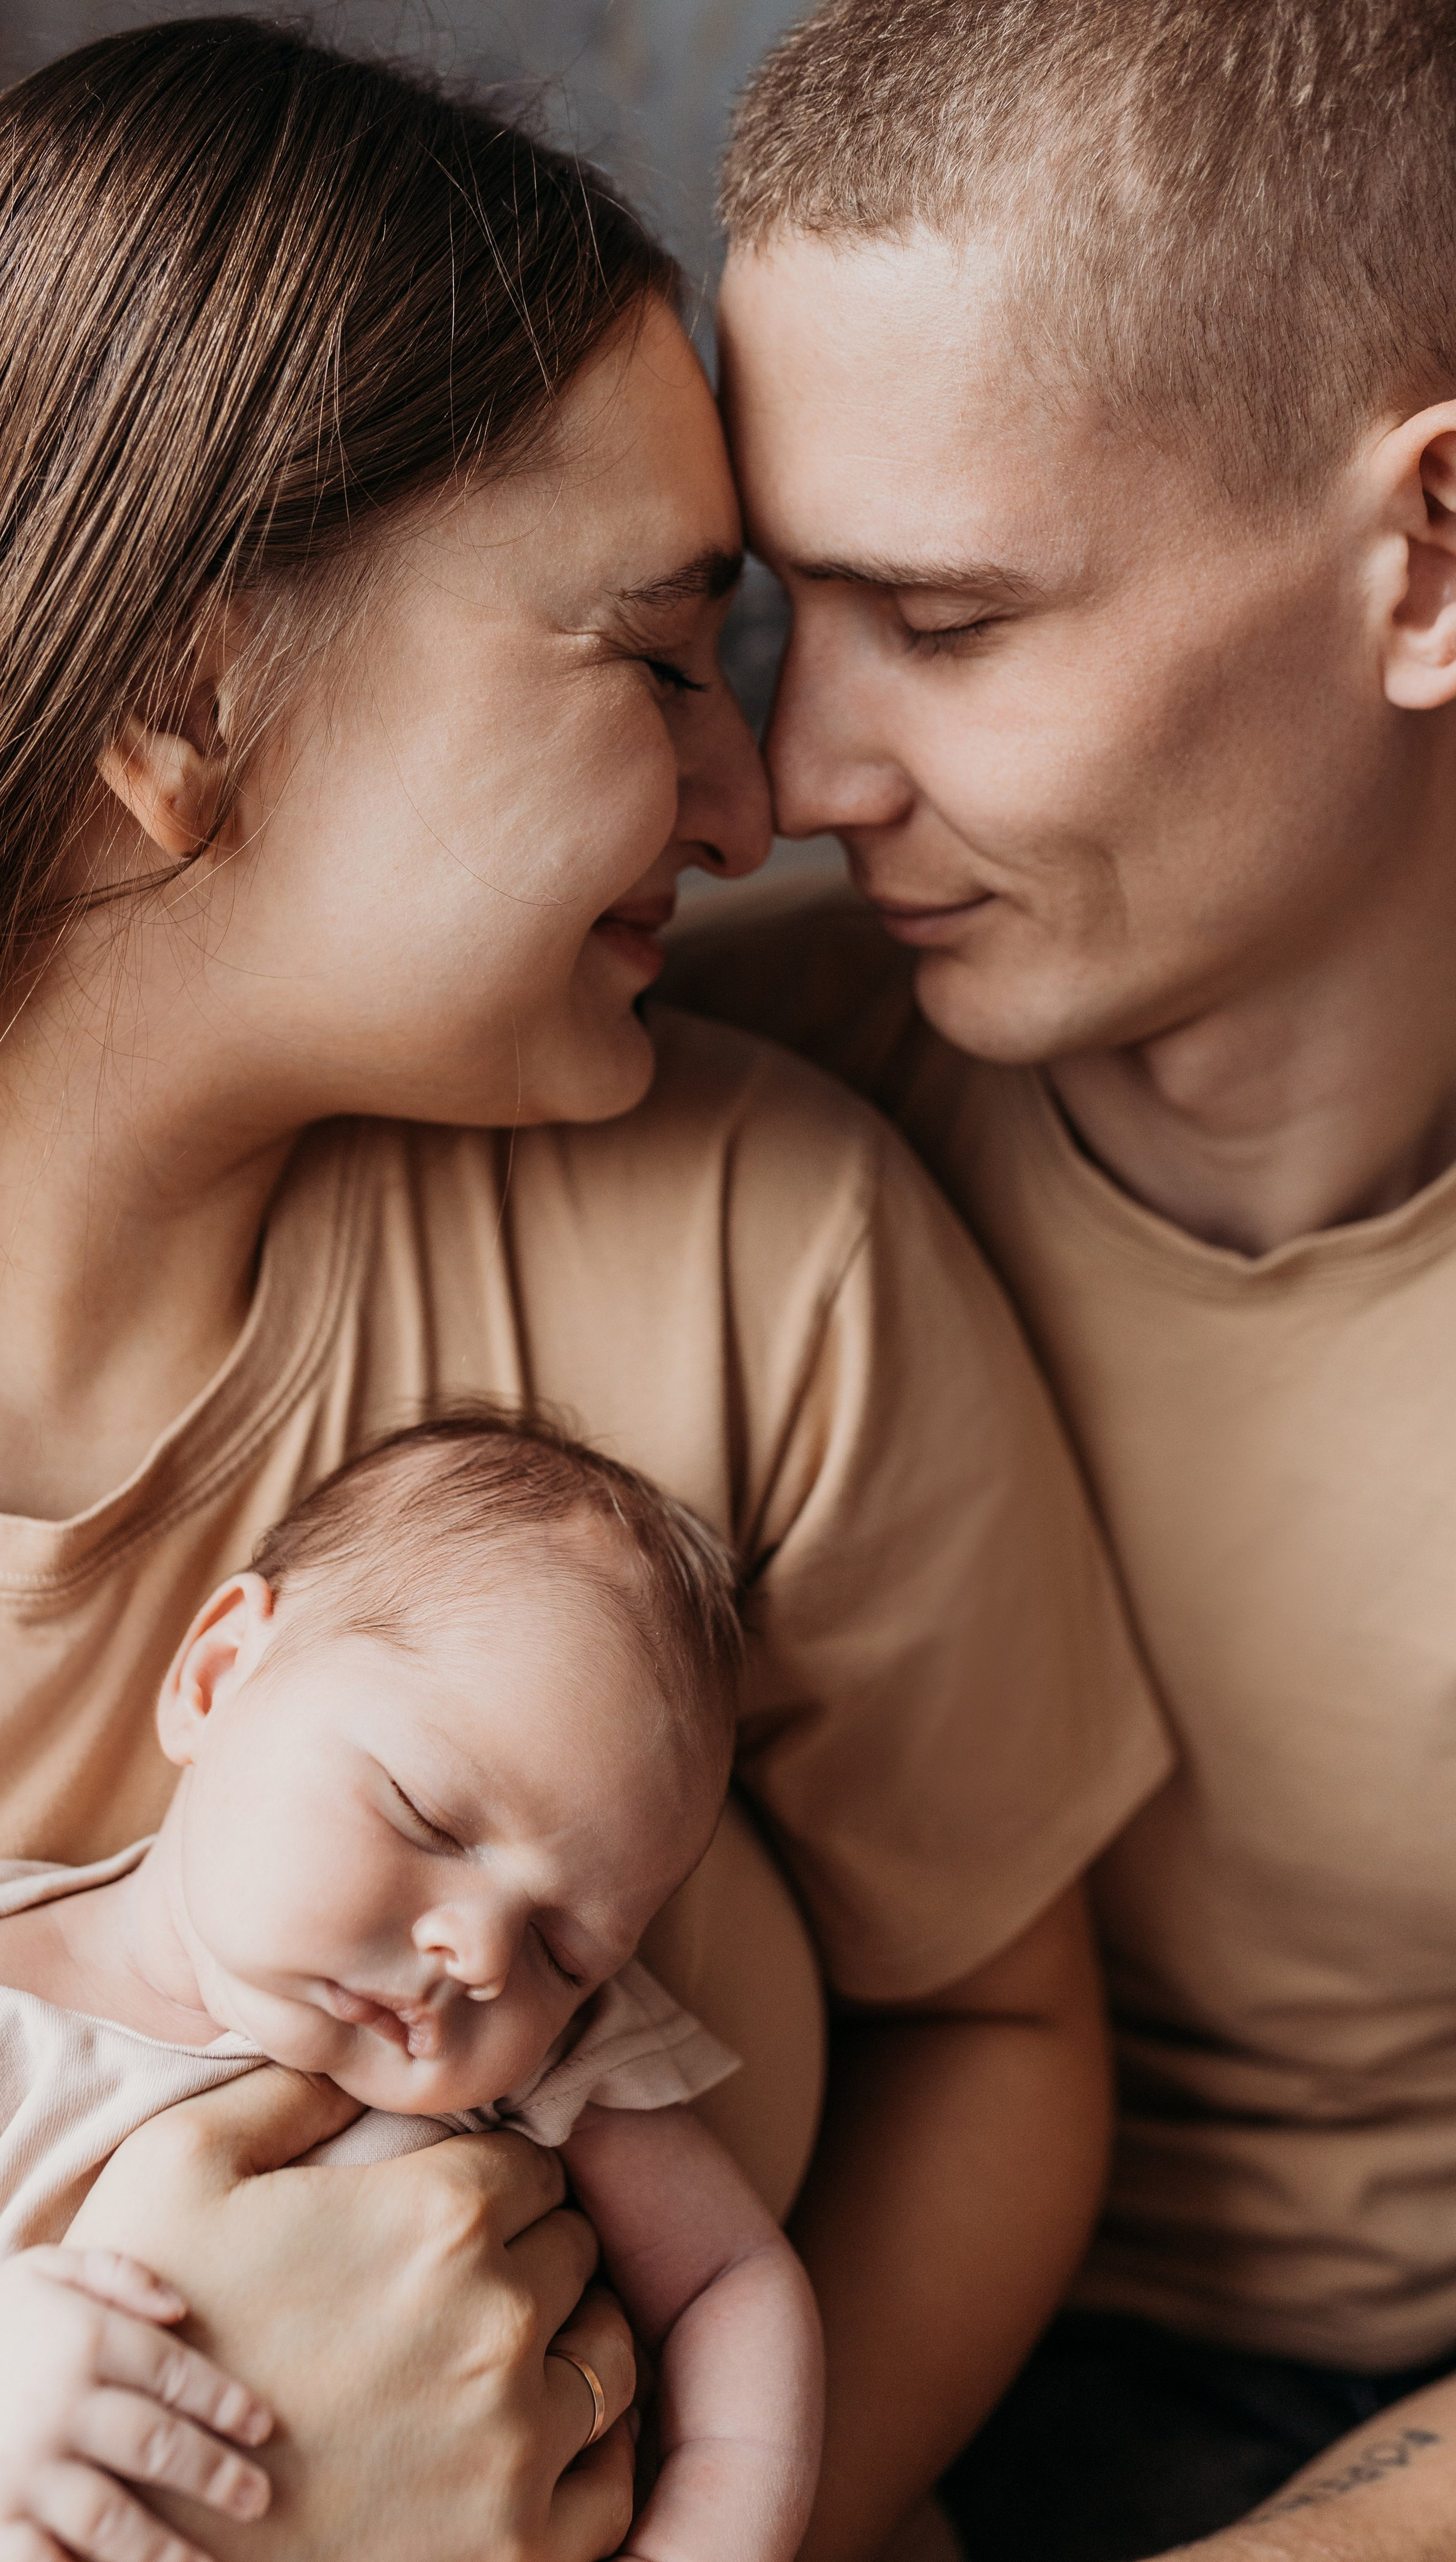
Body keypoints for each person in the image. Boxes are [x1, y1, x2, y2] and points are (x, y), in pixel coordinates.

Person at [0, 15, 1173, 2559]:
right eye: (651, 660)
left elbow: (996, 2028)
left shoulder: (761, 1240)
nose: (755, 810)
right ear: (184, 696)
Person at [662, 0, 1456, 2554]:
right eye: (791, 610)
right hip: (757, 2346)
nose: (799, 779)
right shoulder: (692, 1096)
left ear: (1429, 558)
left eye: (953, 624)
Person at [0, 1417, 822, 2562]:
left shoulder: (550, 2056)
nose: (481, 1955)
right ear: (217, 1678)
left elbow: (731, 2281)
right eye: (429, 1816)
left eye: (567, 1948)